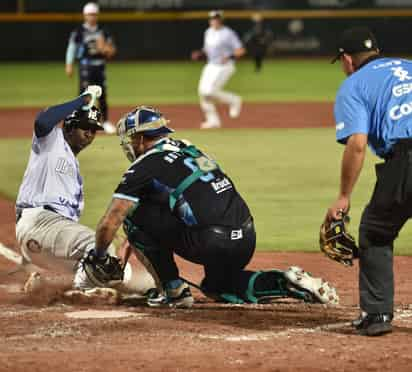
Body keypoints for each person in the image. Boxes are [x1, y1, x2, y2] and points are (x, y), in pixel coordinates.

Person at [87, 105, 339, 308]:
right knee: (217, 286)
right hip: (245, 236)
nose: (129, 144)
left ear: (141, 138)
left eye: (130, 138)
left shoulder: (142, 167)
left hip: (211, 241)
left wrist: (99, 256)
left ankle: (173, 291)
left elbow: (112, 220)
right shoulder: (188, 147)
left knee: (131, 215)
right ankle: (287, 282)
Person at [326, 26, 412, 336]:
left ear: (347, 60)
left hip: (406, 162)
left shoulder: (354, 86)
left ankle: (377, 316)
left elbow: (358, 143)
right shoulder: (409, 67)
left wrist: (343, 196)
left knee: (375, 232)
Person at [15, 85, 116, 290]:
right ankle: (80, 291)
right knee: (99, 245)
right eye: (85, 127)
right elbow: (43, 120)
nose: (90, 134)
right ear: (69, 127)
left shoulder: (74, 168)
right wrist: (83, 100)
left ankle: (45, 282)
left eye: (94, 130)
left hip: (46, 243)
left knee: (112, 271)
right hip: (39, 223)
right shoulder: (51, 141)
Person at [65, 2, 116, 134]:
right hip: (85, 66)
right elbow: (72, 48)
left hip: (99, 65)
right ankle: (81, 122)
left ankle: (105, 122)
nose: (92, 17)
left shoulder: (103, 31)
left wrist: (105, 49)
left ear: (97, 15)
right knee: (84, 94)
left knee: (102, 94)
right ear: (85, 15)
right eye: (89, 14)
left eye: (94, 14)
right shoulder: (79, 32)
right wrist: (69, 64)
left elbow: (112, 51)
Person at [191, 10, 245, 129]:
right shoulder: (208, 32)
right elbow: (207, 49)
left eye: (216, 18)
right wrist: (200, 53)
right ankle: (213, 121)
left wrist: (230, 56)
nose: (214, 21)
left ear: (221, 20)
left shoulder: (228, 33)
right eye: (212, 19)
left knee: (209, 91)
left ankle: (234, 100)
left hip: (225, 66)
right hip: (211, 65)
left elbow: (240, 51)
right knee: (202, 92)